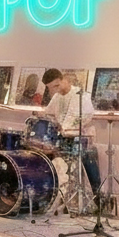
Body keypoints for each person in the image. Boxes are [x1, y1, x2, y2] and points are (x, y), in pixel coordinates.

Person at [40, 67, 101, 196]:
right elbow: (48, 114)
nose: (55, 90)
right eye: (51, 88)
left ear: (63, 80)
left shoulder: (81, 95)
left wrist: (67, 128)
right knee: (40, 149)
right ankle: (50, 193)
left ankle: (97, 196)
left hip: (77, 138)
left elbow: (85, 117)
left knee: (88, 153)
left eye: (56, 85)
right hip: (62, 138)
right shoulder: (57, 97)